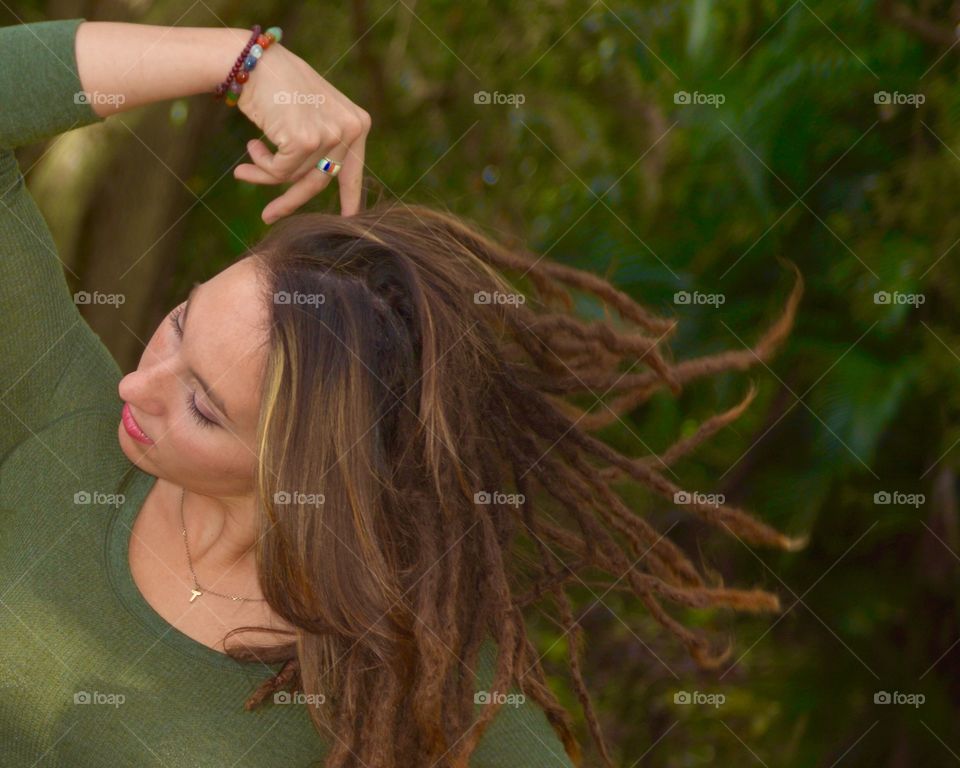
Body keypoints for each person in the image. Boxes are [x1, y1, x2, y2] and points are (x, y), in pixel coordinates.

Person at [0, 15, 806, 768]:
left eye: (205, 408)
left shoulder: (397, 684)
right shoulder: (60, 411)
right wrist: (243, 62)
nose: (137, 384)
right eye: (178, 323)